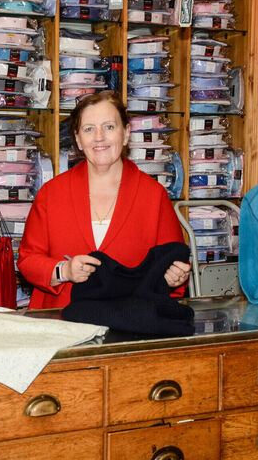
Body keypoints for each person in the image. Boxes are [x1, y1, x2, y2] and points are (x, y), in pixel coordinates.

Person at [18, 91, 190, 309]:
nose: (99, 137)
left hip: (128, 324)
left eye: (109, 127)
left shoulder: (154, 195)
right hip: (61, 322)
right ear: (78, 139)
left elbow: (173, 263)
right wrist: (64, 270)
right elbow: (27, 260)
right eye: (89, 129)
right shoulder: (51, 193)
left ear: (126, 134)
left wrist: (174, 277)